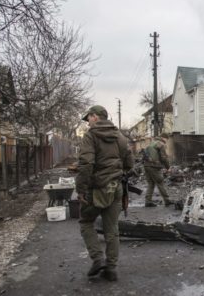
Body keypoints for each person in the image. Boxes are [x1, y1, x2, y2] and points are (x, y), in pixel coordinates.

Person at [75, 105, 133, 281]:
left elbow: (86, 164)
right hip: (115, 188)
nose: (87, 122)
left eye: (88, 118)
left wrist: (81, 189)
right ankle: (111, 269)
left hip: (96, 189)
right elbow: (129, 162)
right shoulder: (120, 137)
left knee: (86, 222)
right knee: (112, 229)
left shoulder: (91, 136)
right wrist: (119, 171)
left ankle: (98, 259)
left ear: (95, 116)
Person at [143, 133, 172, 207]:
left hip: (146, 165)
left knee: (151, 184)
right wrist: (168, 167)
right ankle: (167, 200)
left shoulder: (152, 143)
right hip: (154, 166)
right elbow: (163, 158)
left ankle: (148, 201)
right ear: (164, 138)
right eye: (166, 139)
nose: (166, 141)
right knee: (160, 183)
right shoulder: (161, 144)